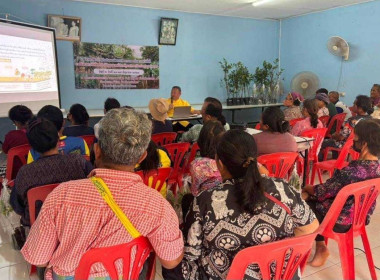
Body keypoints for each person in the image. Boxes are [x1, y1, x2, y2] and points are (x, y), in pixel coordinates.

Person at [21, 108, 184, 279]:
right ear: (141, 158)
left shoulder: (61, 195)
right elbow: (170, 262)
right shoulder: (157, 205)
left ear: (96, 151)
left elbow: (39, 258)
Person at [163, 129, 319, 280]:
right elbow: (310, 228)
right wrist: (273, 253)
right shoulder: (282, 188)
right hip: (279, 275)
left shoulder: (204, 201)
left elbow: (192, 254)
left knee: (171, 267)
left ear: (220, 163)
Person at [302, 119, 380, 267]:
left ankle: (304, 248)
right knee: (314, 201)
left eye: (354, 138)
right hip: (360, 218)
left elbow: (321, 192)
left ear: (363, 144)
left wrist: (307, 188)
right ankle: (320, 248)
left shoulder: (351, 172)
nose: (352, 141)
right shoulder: (377, 168)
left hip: (339, 221)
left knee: (304, 203)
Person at [10, 117, 93, 227]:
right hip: (80, 226)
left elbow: (17, 206)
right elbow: (95, 188)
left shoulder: (24, 173)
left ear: (32, 147)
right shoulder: (79, 162)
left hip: (38, 231)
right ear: (58, 138)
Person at [319, 95, 373, 160]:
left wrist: (334, 136)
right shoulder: (370, 119)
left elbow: (341, 137)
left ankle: (321, 163)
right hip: (362, 146)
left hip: (348, 145)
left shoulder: (352, 120)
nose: (353, 106)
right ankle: (336, 159)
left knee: (322, 142)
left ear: (360, 108)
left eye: (354, 104)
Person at [189, 121, 225, 196]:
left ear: (201, 140)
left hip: (205, 204)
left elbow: (195, 193)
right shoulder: (232, 159)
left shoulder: (198, 164)